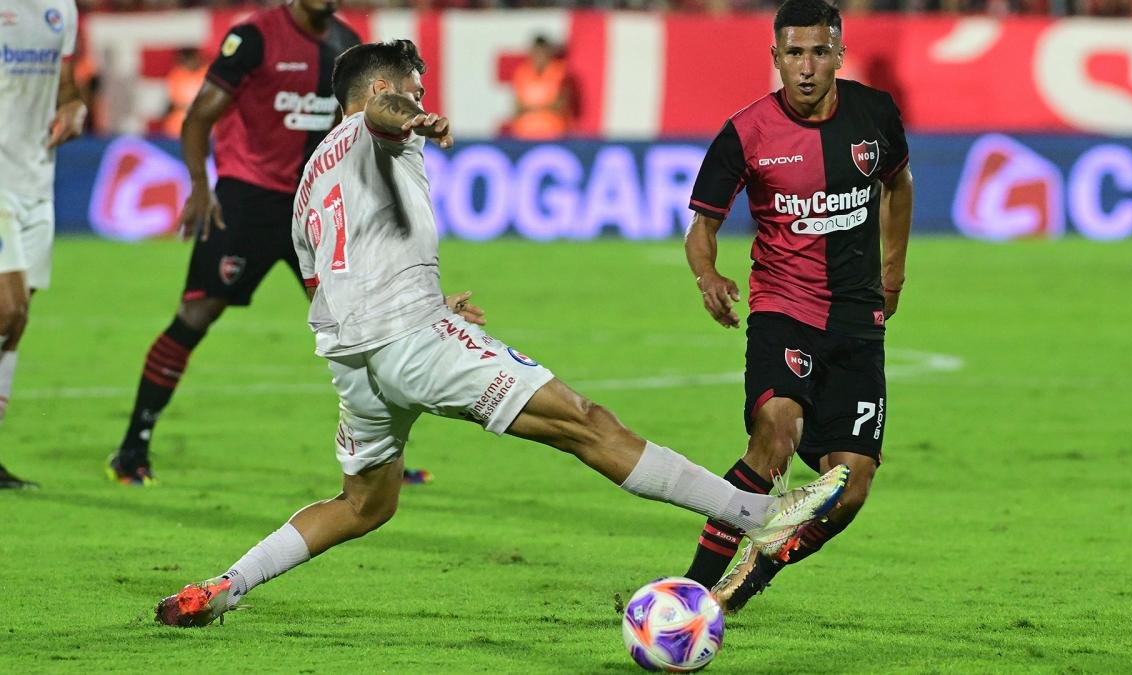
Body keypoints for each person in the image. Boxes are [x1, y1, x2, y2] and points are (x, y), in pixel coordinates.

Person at [153, 40, 851, 627]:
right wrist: (418, 116)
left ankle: (224, 586)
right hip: (410, 342)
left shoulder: (310, 181)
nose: (420, 95)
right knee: (586, 423)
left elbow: (323, 283)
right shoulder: (380, 123)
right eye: (414, 86)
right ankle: (758, 512)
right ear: (384, 89)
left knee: (364, 503)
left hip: (357, 363)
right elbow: (383, 115)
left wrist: (430, 302)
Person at [102, 0, 444, 486]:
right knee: (196, 316)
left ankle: (380, 455)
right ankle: (132, 448)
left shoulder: (348, 46)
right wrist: (200, 185)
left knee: (361, 324)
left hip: (314, 202)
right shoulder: (256, 37)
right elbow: (199, 117)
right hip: (248, 201)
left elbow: (357, 129)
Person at [680, 0, 913, 612]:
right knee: (777, 430)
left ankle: (749, 579)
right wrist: (708, 275)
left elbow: (898, 182)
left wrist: (894, 269)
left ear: (838, 52)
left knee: (853, 486)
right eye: (794, 53)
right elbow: (701, 224)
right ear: (775, 57)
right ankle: (692, 590)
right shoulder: (745, 133)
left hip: (859, 320)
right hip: (785, 308)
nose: (806, 67)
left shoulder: (875, 113)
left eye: (818, 52)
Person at [0, 0, 87, 489]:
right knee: (6, 310)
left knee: (16, 324)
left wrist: (74, 108)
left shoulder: (61, 8)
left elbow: (66, 86)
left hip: (36, 181)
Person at [507, 35, 572, 140]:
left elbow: (561, 106)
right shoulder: (521, 73)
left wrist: (530, 108)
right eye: (536, 52)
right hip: (525, 134)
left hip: (553, 134)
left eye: (542, 52)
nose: (539, 56)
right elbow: (517, 108)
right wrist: (546, 107)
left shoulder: (560, 72)